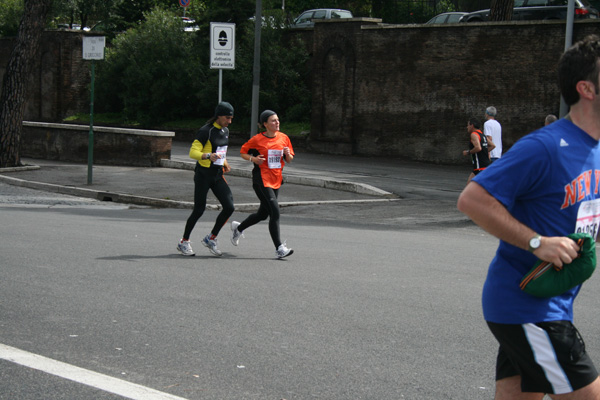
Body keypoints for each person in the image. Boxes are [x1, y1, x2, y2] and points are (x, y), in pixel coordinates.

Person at [457, 35, 600, 399]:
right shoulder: (546, 146)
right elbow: (472, 199)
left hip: (548, 303)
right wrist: (538, 243)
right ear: (587, 88)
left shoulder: (595, 149)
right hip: (528, 307)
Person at [230, 110, 295, 259]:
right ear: (265, 124)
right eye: (273, 121)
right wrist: (253, 159)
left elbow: (290, 159)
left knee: (262, 214)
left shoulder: (284, 138)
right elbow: (243, 152)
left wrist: (287, 154)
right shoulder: (257, 139)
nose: (277, 122)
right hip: (261, 180)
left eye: (277, 120)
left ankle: (238, 228)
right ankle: (279, 248)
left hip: (276, 180)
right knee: (275, 212)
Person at [177, 102, 235, 257]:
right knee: (199, 209)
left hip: (217, 174)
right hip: (203, 174)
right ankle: (184, 242)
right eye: (227, 118)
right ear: (219, 116)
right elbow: (193, 152)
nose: (229, 121)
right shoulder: (205, 131)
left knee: (229, 207)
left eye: (231, 118)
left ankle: (211, 238)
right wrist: (207, 156)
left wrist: (225, 163)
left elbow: (221, 151)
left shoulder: (225, 130)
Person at [462, 117, 495, 183]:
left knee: (473, 188)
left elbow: (478, 148)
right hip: (484, 165)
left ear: (472, 125)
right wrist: (484, 151)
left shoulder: (474, 135)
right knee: (469, 186)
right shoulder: (482, 135)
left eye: (468, 125)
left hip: (480, 166)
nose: (467, 127)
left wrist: (468, 152)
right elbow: (492, 146)